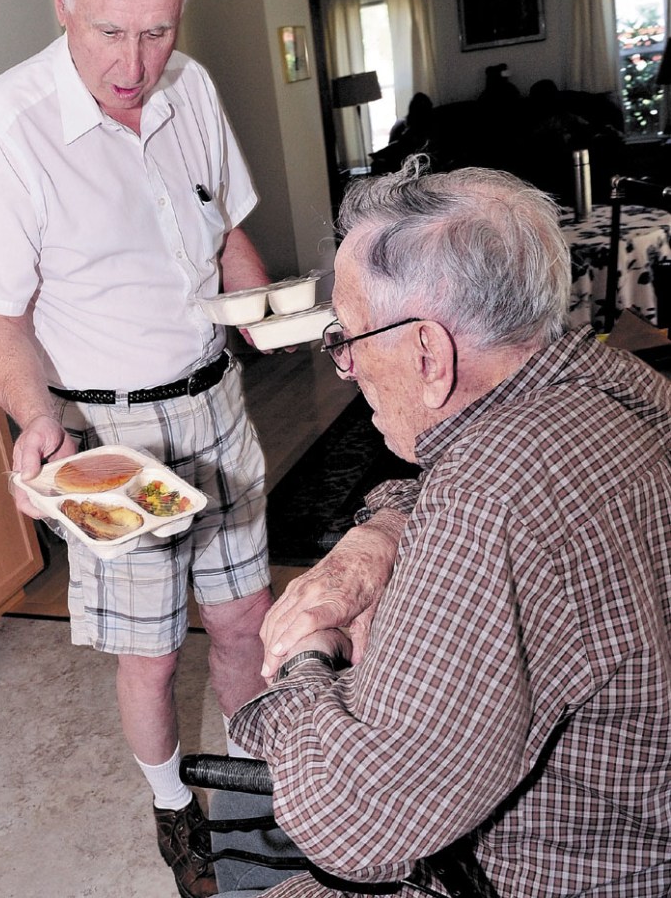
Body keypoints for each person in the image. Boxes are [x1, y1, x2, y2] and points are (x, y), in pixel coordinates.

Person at [0, 0, 276, 898]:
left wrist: (279, 316)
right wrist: (37, 420)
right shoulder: (4, 130)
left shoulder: (195, 89)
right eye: (108, 30)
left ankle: (260, 797)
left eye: (157, 29)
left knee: (244, 624)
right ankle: (175, 810)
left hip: (218, 398)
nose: (134, 63)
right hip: (112, 433)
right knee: (146, 654)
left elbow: (226, 241)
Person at [225, 157, 671, 897]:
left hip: (541, 870)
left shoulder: (492, 499)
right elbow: (453, 480)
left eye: (350, 337)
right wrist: (386, 528)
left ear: (428, 352)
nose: (346, 366)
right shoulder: (621, 382)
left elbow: (349, 824)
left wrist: (306, 658)